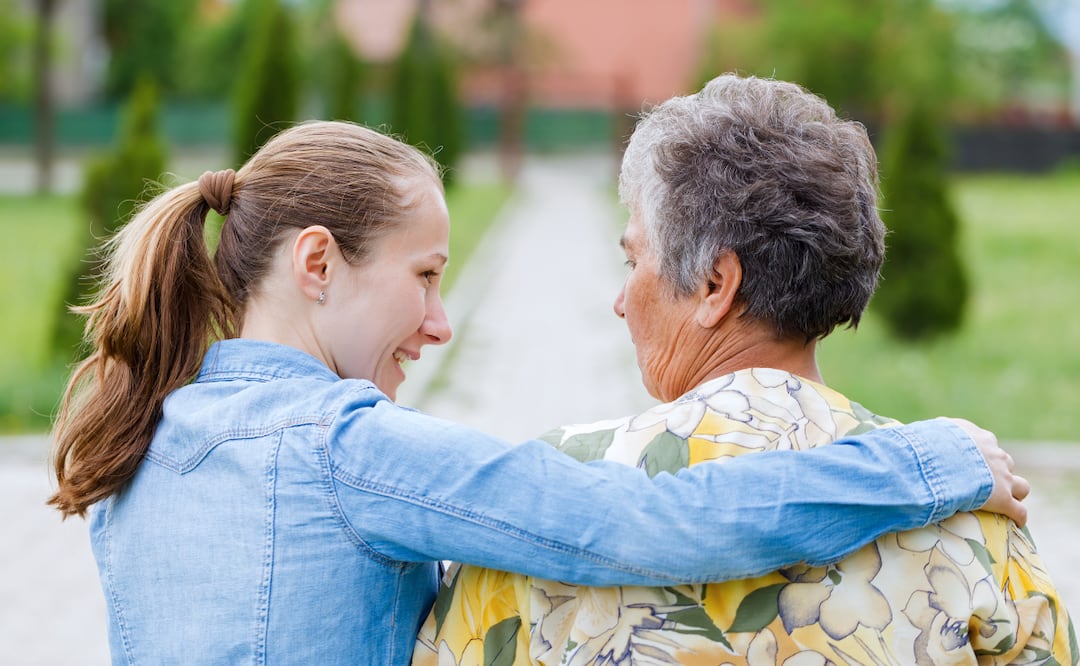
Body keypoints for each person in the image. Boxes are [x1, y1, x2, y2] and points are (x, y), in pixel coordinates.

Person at [48, 120, 1028, 664]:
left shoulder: (138, 436)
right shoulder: (343, 448)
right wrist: (920, 461)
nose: (438, 323)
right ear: (316, 262)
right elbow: (646, 522)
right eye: (427, 276)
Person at [414, 74, 1073, 665]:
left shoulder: (551, 503)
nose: (620, 302)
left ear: (713, 283)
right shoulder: (978, 512)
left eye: (632, 261)